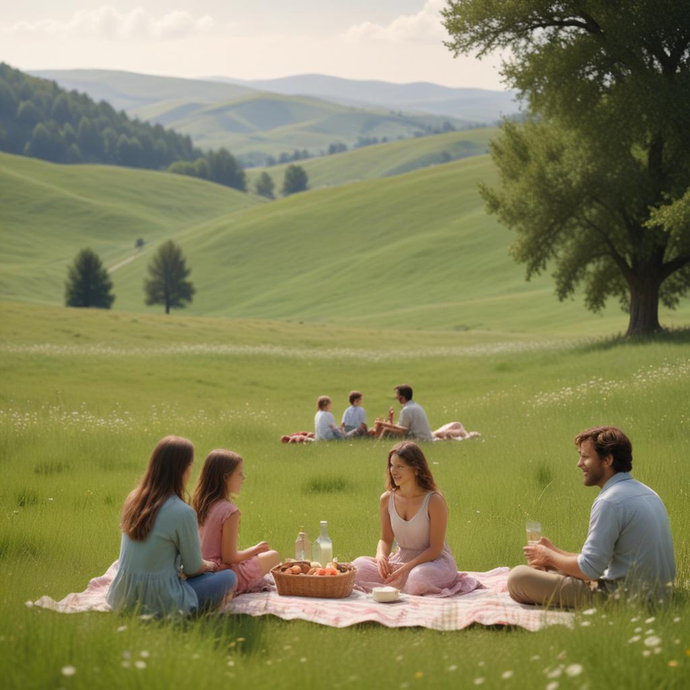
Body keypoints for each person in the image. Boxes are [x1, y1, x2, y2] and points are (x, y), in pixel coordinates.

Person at [508, 426, 675, 608]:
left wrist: (548, 557)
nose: (579, 463)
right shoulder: (647, 492)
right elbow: (599, 563)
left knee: (518, 578)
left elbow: (590, 570)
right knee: (551, 570)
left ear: (607, 460)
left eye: (585, 456)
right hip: (659, 595)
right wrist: (554, 553)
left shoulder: (609, 501)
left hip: (624, 600)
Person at [107, 436, 237, 615]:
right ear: (182, 469)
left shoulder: (133, 499)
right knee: (229, 577)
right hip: (161, 601)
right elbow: (192, 569)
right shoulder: (183, 512)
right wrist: (209, 565)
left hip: (121, 597)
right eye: (190, 464)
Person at [352, 441, 479, 596]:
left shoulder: (434, 501)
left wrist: (406, 568)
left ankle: (399, 587)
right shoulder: (386, 499)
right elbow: (385, 539)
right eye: (392, 465)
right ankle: (398, 586)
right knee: (358, 567)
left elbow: (435, 548)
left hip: (433, 562)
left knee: (417, 578)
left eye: (400, 466)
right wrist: (380, 557)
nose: (394, 471)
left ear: (416, 469)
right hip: (401, 559)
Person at [192, 449, 281, 593]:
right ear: (225, 478)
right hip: (222, 574)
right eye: (239, 473)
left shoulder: (200, 504)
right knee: (274, 556)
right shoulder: (230, 511)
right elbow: (229, 557)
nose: (243, 478)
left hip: (201, 570)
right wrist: (254, 550)